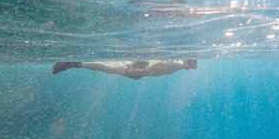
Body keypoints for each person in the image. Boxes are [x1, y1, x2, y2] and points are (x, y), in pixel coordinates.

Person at [52, 60, 197, 80]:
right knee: (109, 69)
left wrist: (143, 72)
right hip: (136, 69)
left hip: (137, 67)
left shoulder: (177, 66)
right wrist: (142, 72)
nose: (193, 67)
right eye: (193, 64)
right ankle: (71, 64)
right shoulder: (176, 65)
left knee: (109, 68)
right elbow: (159, 64)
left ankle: (71, 64)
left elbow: (158, 65)